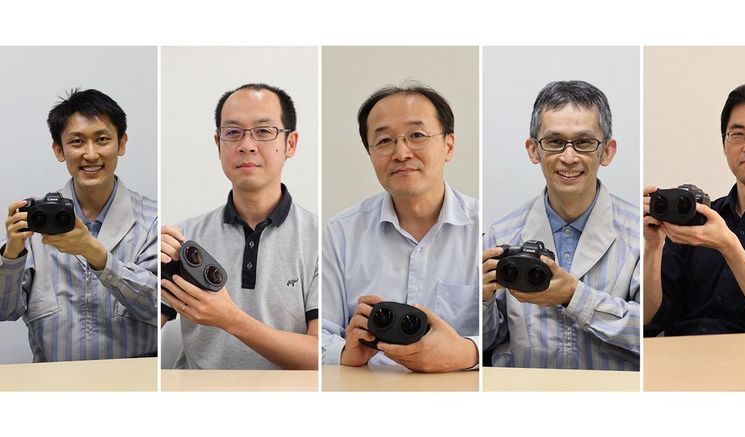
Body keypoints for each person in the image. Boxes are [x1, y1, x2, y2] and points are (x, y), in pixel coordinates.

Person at [321, 82, 479, 373]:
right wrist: (345, 351)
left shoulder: (484, 229)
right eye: (384, 141)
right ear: (370, 153)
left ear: (449, 145)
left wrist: (468, 352)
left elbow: (509, 333)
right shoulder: (342, 232)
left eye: (417, 135)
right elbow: (320, 335)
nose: (401, 152)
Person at [483, 80, 640, 370]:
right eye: (554, 142)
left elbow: (648, 333)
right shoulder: (499, 235)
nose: (569, 157)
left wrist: (574, 296)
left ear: (607, 151)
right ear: (533, 150)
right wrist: (482, 303)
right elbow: (485, 344)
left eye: (584, 142)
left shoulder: (641, 235)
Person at [160, 83, 318, 370]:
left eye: (263, 131)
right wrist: (144, 268)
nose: (247, 145)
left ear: (290, 143)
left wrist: (230, 319)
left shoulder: (320, 240)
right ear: (218, 144)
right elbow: (139, 334)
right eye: (232, 133)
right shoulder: (184, 238)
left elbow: (320, 355)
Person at [0, 89, 158, 361]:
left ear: (122, 143)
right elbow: (4, 310)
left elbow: (160, 305)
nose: (91, 154)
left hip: (134, 384)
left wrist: (96, 255)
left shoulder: (153, 220)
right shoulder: (35, 222)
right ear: (58, 150)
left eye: (102, 139)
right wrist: (12, 253)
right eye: (76, 142)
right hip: (54, 385)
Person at [644, 82, 745, 335]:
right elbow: (651, 321)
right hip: (682, 362)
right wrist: (653, 247)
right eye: (737, 134)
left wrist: (729, 246)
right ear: (724, 144)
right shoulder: (694, 218)